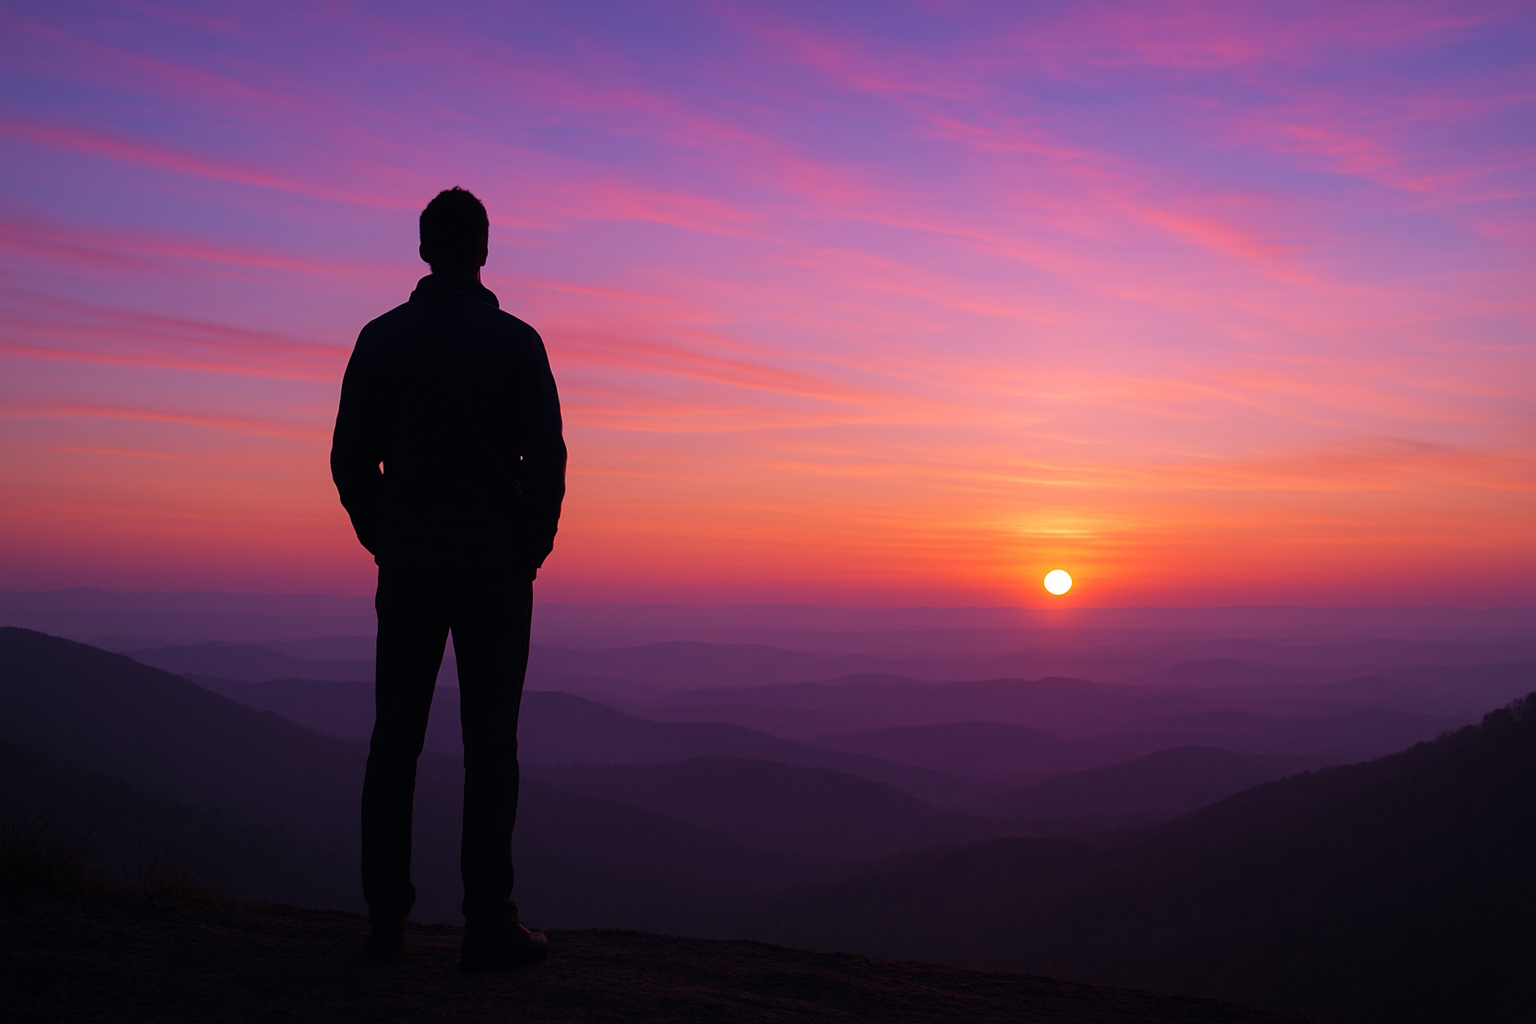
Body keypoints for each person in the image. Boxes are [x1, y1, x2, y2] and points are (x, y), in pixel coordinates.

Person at [330, 187, 566, 970]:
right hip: (494, 569)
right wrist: (527, 548)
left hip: (410, 567)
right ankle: (489, 922)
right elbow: (548, 458)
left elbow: (348, 459)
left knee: (394, 743)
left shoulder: (381, 340)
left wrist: (384, 535)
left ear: (425, 249)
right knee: (491, 746)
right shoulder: (516, 343)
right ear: (484, 249)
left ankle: (385, 922)